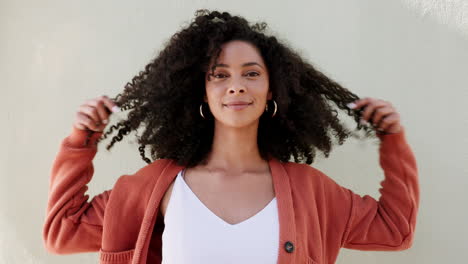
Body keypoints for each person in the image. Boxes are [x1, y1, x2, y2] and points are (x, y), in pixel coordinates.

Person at [42, 9, 419, 264]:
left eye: (251, 73)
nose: (236, 86)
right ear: (202, 92)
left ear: (273, 89)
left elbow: (395, 230)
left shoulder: (311, 191)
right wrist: (81, 141)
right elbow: (62, 231)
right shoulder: (154, 187)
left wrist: (393, 142)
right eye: (219, 75)